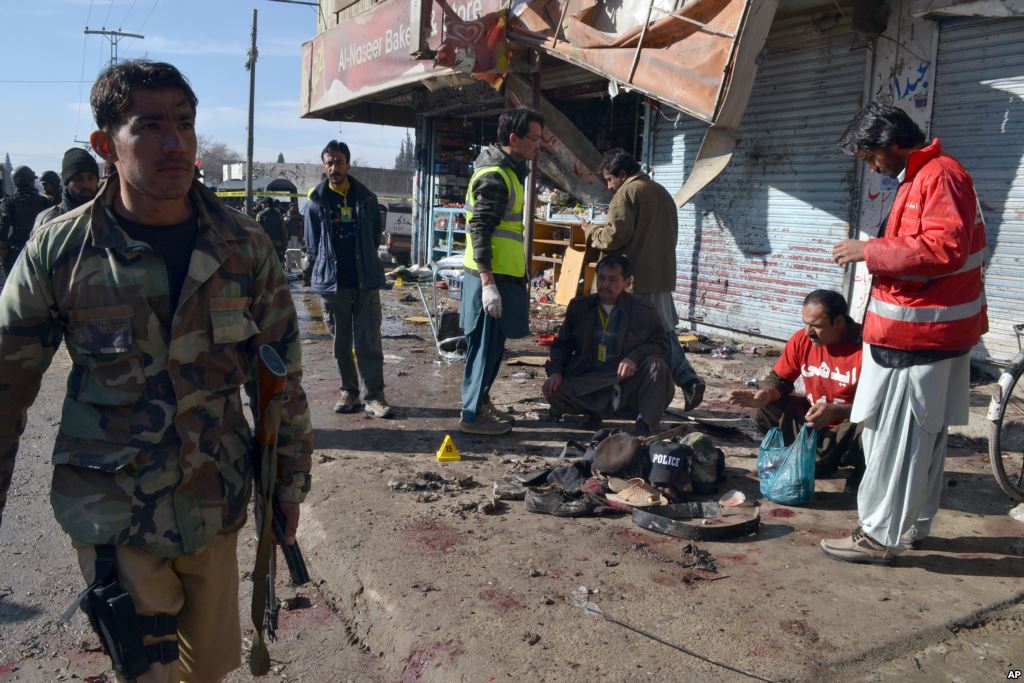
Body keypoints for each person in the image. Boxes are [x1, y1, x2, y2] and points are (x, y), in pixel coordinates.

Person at [0, 60, 313, 680]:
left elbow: (281, 384)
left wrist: (287, 486)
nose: (175, 143)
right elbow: (5, 389)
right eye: (150, 126)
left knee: (213, 667)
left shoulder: (246, 249)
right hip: (114, 511)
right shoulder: (59, 252)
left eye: (185, 124)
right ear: (104, 145)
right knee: (151, 674)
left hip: (214, 502)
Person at [820, 102, 987, 565]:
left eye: (871, 157)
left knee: (896, 439)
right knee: (915, 438)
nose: (872, 167)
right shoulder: (924, 176)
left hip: (920, 337)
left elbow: (944, 248)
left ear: (891, 144)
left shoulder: (938, 176)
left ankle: (878, 536)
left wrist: (868, 250)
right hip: (921, 333)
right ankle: (910, 525)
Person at [585, 148, 705, 412]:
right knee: (663, 332)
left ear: (623, 174)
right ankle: (687, 381)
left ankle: (643, 392)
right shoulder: (661, 193)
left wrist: (591, 232)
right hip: (660, 277)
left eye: (609, 179)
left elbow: (616, 235)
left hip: (636, 279)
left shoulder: (627, 193)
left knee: (642, 337)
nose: (609, 186)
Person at [458, 106, 545, 436]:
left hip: (503, 275)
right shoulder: (495, 175)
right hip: (491, 277)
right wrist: (488, 283)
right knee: (484, 347)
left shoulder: (510, 171)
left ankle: (480, 403)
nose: (538, 146)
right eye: (533, 139)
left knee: (493, 347)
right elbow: (479, 228)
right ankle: (472, 415)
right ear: (514, 138)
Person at [730, 289, 866, 494]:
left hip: (849, 427)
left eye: (816, 326)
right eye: (806, 323)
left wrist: (836, 411)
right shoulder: (802, 341)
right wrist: (767, 393)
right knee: (763, 410)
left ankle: (863, 474)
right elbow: (780, 380)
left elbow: (881, 404)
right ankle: (802, 459)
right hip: (813, 422)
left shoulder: (868, 346)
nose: (808, 332)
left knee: (878, 425)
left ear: (839, 321)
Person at [305, 140, 392, 418]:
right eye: (329, 163)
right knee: (340, 341)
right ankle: (349, 392)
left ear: (348, 164)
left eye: (339, 162)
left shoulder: (366, 198)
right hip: (334, 284)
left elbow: (375, 235)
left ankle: (374, 397)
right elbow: (312, 244)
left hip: (364, 280)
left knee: (368, 340)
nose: (334, 168)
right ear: (324, 166)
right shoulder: (316, 203)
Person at [543, 254, 674, 435]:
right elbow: (562, 345)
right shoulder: (579, 307)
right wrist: (556, 372)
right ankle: (591, 413)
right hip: (591, 379)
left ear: (627, 282)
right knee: (553, 391)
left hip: (627, 381)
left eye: (612, 279)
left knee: (657, 367)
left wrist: (633, 358)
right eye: (601, 278)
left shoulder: (643, 310)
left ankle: (645, 423)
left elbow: (660, 345)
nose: (605, 285)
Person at [0, 165, 52, 278]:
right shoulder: (44, 201)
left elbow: (3, 230)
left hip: (17, 255)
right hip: (40, 252)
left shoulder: (9, 202)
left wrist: (4, 255)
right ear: (30, 181)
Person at [32, 148, 101, 232]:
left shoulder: (110, 214)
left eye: (91, 178)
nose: (86, 184)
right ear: (67, 182)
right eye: (78, 179)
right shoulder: (48, 220)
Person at [257, 198, 287, 264]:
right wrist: (284, 244)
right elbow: (283, 230)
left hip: (265, 243)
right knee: (277, 261)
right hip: (277, 242)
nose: (262, 205)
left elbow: (258, 230)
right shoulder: (279, 214)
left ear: (266, 204)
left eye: (262, 204)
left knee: (265, 262)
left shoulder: (260, 215)